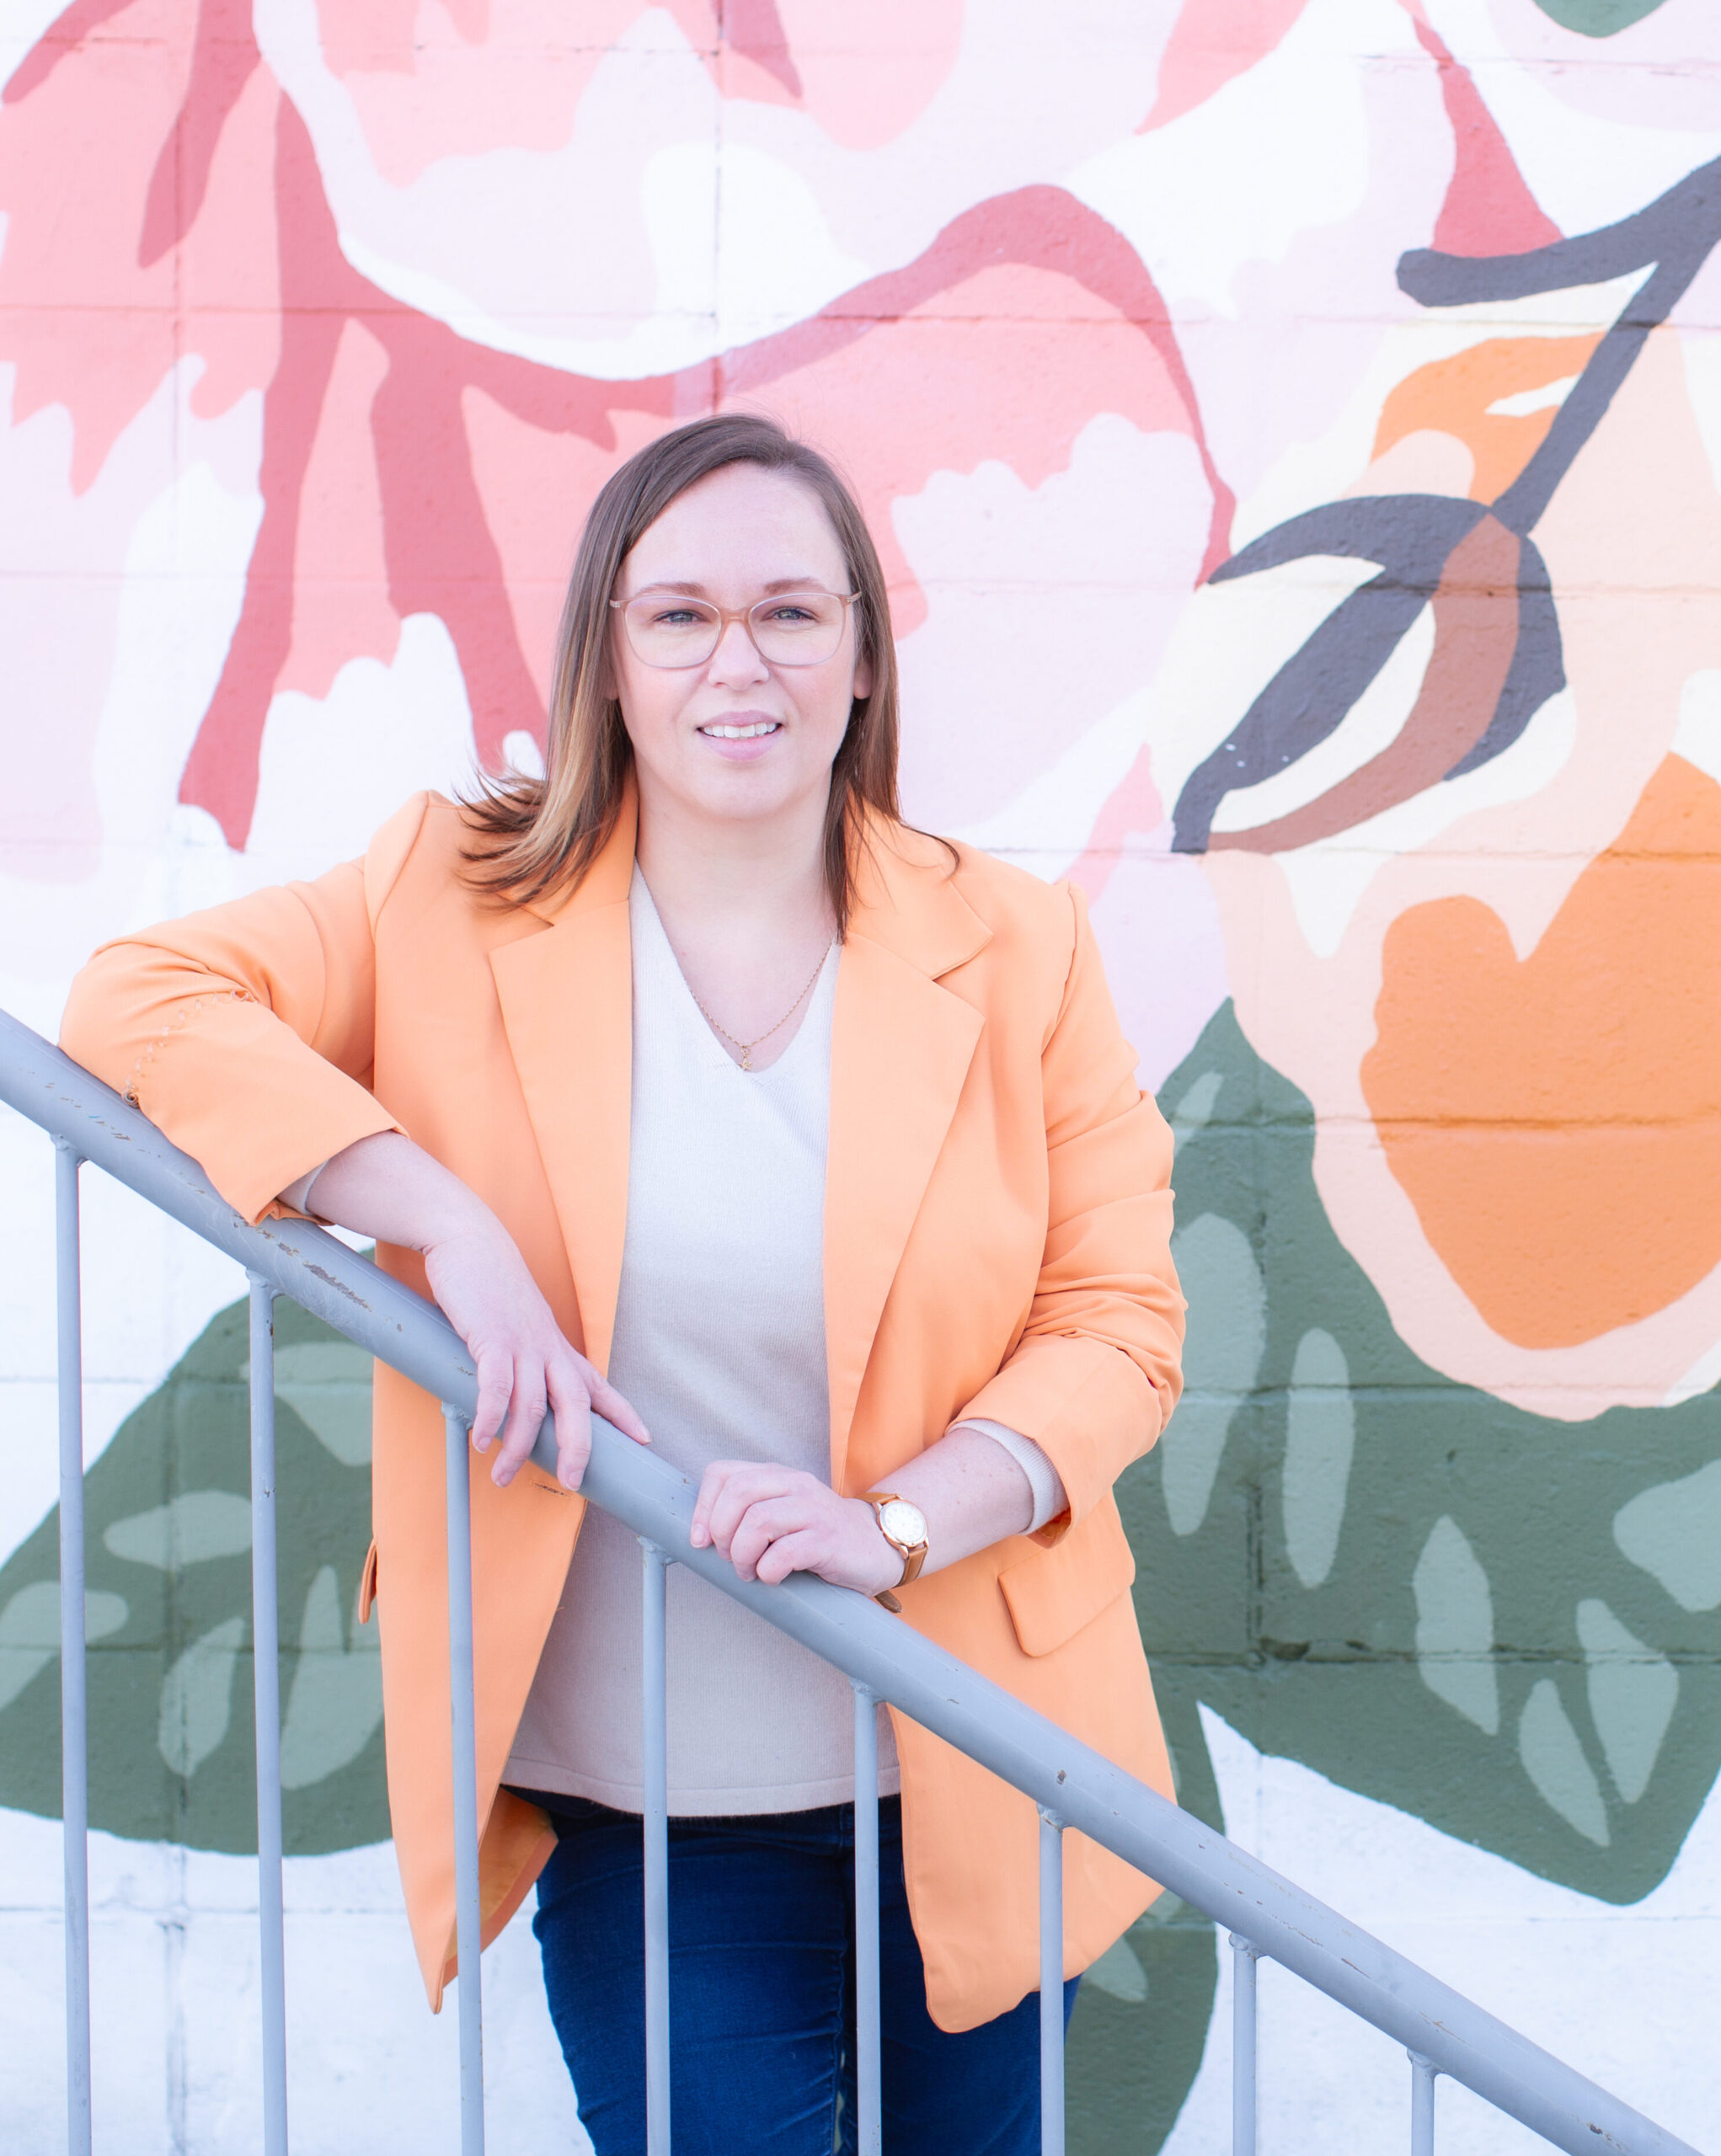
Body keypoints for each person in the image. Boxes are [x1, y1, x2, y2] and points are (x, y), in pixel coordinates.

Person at [61, 414, 1184, 2155]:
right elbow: (133, 1000)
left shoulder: (1014, 939)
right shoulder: (443, 890)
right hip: (646, 1802)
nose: (736, 659)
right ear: (606, 651)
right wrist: (441, 1215)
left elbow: (1118, 1323)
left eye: (791, 612)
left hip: (970, 1758)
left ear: (863, 655)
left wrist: (889, 1523)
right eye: (678, 614)